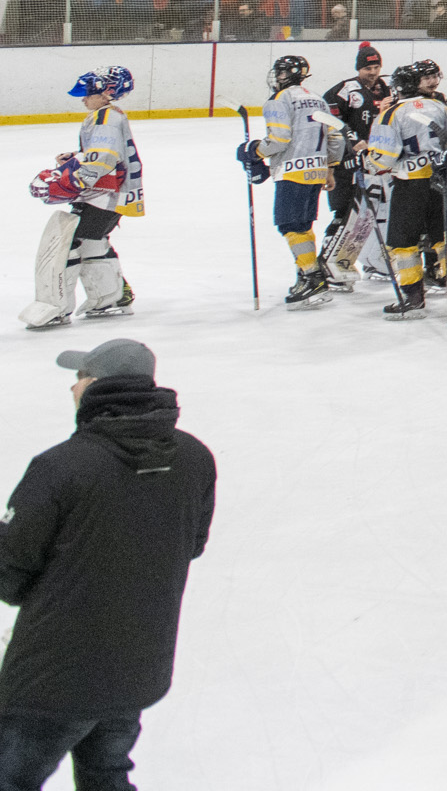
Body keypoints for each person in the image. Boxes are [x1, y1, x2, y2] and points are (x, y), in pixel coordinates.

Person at [0, 340, 215, 791]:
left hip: (53, 680)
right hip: (136, 666)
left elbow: (10, 575)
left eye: (78, 378)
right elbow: (190, 545)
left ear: (95, 386)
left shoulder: (61, 467)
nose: (72, 388)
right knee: (106, 776)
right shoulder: (196, 458)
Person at [21, 69, 143, 333]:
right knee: (91, 241)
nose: (83, 99)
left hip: (105, 195)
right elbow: (102, 154)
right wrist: (77, 157)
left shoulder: (106, 118)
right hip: (109, 193)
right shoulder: (107, 115)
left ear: (107, 92)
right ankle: (112, 297)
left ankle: (57, 307)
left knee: (71, 244)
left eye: (88, 93)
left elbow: (105, 159)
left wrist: (74, 181)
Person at [245, 54, 343, 309]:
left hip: (292, 170)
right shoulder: (319, 99)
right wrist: (329, 169)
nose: (277, 78)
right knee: (302, 225)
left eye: (279, 73)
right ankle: (307, 274)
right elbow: (337, 137)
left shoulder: (279, 99)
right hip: (316, 170)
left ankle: (312, 277)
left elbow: (279, 139)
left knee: (290, 225)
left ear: (285, 75)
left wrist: (254, 150)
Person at [369, 62, 447, 322]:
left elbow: (384, 158)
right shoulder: (441, 107)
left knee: (404, 242)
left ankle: (413, 297)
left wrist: (366, 160)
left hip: (410, 185)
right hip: (440, 181)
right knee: (443, 237)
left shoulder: (393, 113)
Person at [321, 42, 388, 288]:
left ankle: (363, 262)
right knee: (344, 213)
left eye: (376, 66)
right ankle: (328, 265)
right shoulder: (345, 90)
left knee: (367, 214)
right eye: (368, 67)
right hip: (346, 165)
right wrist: (353, 141)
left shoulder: (385, 89)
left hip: (375, 163)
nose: (372, 72)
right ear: (359, 68)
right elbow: (330, 120)